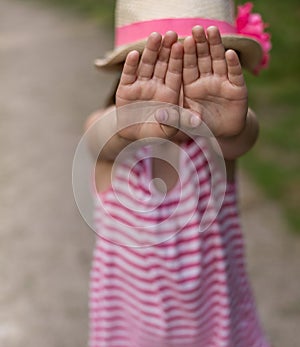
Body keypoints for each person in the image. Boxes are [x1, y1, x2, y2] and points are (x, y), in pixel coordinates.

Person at [84, 0, 271, 346]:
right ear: (130, 72)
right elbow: (97, 136)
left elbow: (243, 136)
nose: (177, 86)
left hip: (216, 328)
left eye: (198, 67)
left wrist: (229, 126)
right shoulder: (116, 147)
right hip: (131, 331)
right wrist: (127, 125)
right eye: (161, 68)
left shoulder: (214, 146)